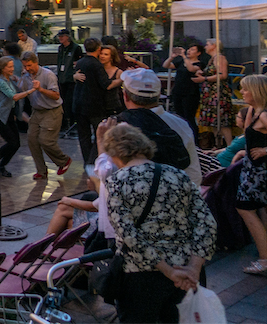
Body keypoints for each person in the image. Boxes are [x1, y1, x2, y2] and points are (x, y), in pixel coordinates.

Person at [100, 122, 216, 323]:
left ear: (115, 155)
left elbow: (129, 235)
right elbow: (207, 222)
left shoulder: (118, 182)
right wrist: (194, 268)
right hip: (186, 271)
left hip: (140, 276)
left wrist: (168, 271)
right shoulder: (178, 174)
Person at [234, 74, 267, 275]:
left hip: (259, 172)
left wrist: (265, 150)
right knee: (262, 210)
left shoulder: (264, 115)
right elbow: (248, 135)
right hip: (253, 169)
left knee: (245, 208)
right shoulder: (257, 111)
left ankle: (265, 259)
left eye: (245, 89)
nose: (242, 92)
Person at [21, 52, 72, 179]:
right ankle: (41, 170)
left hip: (51, 111)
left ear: (36, 62)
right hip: (37, 111)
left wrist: (41, 89)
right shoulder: (26, 76)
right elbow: (21, 90)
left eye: (29, 65)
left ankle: (63, 161)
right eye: (25, 66)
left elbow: (56, 95)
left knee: (46, 140)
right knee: (32, 139)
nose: (27, 68)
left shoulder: (48, 75)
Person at [72, 38, 109, 165]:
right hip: (94, 105)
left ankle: (87, 161)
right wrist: (120, 79)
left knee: (83, 136)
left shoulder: (80, 62)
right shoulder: (97, 65)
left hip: (78, 104)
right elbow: (105, 84)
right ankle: (95, 160)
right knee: (100, 134)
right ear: (99, 49)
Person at [193, 39, 234, 145]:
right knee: (214, 122)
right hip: (211, 93)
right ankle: (217, 144)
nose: (205, 47)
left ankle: (229, 146)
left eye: (207, 45)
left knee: (222, 121)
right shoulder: (213, 59)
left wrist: (204, 79)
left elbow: (223, 75)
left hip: (217, 93)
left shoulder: (219, 58)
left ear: (214, 46)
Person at [162, 42, 208, 133]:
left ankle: (194, 137)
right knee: (179, 116)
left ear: (198, 53)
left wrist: (184, 56)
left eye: (192, 50)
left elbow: (191, 69)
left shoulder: (200, 63)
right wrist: (172, 57)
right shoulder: (181, 62)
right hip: (178, 91)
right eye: (189, 49)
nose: (189, 51)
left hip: (190, 93)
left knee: (189, 116)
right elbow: (166, 65)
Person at [0, 57, 23, 177]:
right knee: (12, 142)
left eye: (12, 66)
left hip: (9, 114)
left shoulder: (9, 79)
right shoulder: (0, 81)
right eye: (9, 67)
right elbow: (13, 96)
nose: (12, 69)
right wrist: (31, 91)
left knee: (16, 143)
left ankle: (1, 164)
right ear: (3, 68)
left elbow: (18, 89)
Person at [55, 29, 83, 118]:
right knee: (62, 100)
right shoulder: (61, 48)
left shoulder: (76, 48)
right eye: (59, 37)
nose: (60, 38)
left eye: (62, 36)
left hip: (71, 78)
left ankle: (71, 120)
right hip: (62, 78)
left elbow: (78, 62)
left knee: (69, 101)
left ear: (67, 37)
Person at [98, 45, 125, 114]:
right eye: (101, 53)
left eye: (106, 54)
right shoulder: (96, 69)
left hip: (113, 106)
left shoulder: (118, 72)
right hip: (98, 106)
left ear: (111, 57)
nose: (102, 56)